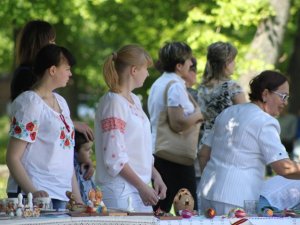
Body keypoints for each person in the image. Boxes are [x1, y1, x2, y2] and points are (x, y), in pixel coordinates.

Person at [199, 70, 300, 215]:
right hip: (237, 199)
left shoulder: (227, 113)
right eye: (283, 96)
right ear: (265, 94)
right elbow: (284, 168)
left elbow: (203, 154)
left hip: (207, 192)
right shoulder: (266, 122)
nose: (285, 102)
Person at [6, 44, 83, 209]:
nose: (70, 73)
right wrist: (33, 191)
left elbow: (67, 156)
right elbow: (13, 157)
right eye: (67, 68)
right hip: (35, 196)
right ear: (53, 70)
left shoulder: (61, 102)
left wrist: (77, 197)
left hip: (62, 194)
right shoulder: (30, 102)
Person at [94, 44, 167, 212]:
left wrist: (156, 176)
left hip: (139, 189)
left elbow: (137, 149)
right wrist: (142, 186)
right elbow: (115, 157)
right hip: (121, 191)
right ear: (134, 70)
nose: (147, 73)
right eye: (145, 69)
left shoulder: (133, 99)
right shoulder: (114, 102)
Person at [11, 20, 94, 155]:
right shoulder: (26, 77)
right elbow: (35, 118)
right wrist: (72, 124)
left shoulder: (59, 99)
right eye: (51, 40)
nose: (55, 45)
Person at [148, 41, 203, 213]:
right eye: (188, 61)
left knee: (160, 210)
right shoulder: (176, 86)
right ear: (179, 66)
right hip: (175, 157)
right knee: (189, 210)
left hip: (159, 151)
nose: (191, 64)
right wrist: (199, 116)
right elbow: (178, 123)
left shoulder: (159, 83)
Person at [197, 41, 246, 173]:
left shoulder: (202, 87)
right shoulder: (232, 87)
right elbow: (245, 118)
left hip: (202, 144)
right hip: (225, 143)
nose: (235, 64)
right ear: (226, 63)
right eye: (233, 60)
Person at [74, 130, 96, 205]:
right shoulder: (72, 170)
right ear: (75, 152)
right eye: (87, 149)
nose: (91, 152)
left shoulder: (87, 169)